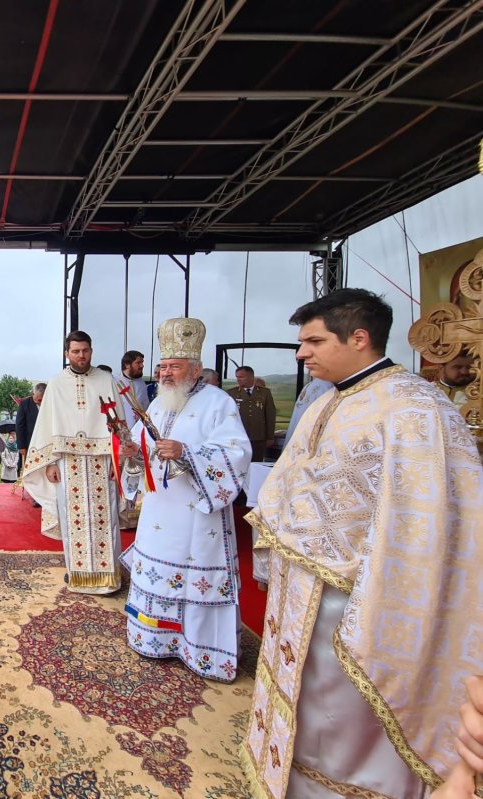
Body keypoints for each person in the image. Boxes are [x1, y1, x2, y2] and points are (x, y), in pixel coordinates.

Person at [242, 288, 482, 798]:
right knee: (304, 699)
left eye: (313, 341)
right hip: (300, 589)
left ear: (358, 337)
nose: (301, 353)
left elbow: (429, 520)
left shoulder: (415, 408)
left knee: (342, 709)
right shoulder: (327, 401)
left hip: (358, 598)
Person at [119, 317, 251, 681]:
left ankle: (198, 649)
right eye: (162, 366)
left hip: (197, 515)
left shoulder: (218, 403)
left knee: (192, 579)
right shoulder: (159, 404)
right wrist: (132, 451)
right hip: (158, 512)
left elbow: (237, 454)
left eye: (174, 367)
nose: (165, 373)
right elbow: (142, 445)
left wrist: (187, 452)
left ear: (195, 369)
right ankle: (153, 639)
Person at [20, 331, 122, 594]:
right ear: (67, 353)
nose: (81, 356)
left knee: (106, 518)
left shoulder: (106, 380)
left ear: (91, 351)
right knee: (72, 519)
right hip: (68, 462)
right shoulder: (56, 384)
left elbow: (118, 422)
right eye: (75, 351)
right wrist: (50, 463)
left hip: (102, 462)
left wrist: (118, 461)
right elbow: (47, 426)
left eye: (85, 350)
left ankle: (108, 577)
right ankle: (78, 573)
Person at [226, 365, 277, 462]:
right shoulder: (232, 393)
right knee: (238, 463)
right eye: (237, 377)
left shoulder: (264, 393)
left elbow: (270, 415)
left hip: (258, 436)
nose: (238, 380)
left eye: (241, 377)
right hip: (239, 436)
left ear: (251, 377)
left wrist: (270, 436)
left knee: (256, 463)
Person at [114, 349, 150, 423]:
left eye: (142, 362)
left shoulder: (141, 383)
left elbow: (146, 405)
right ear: (127, 365)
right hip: (121, 425)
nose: (142, 365)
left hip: (139, 425)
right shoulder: (114, 381)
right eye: (138, 363)